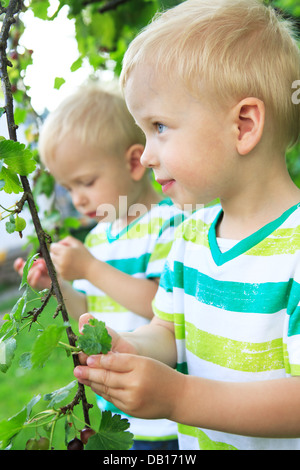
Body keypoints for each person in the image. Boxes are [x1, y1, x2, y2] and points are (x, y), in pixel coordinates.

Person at [73, 0, 300, 451]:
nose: (148, 153)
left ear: (243, 125)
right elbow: (168, 331)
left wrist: (179, 397)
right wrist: (129, 348)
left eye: (159, 126)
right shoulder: (191, 237)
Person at [14, 82, 184, 450]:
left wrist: (90, 269)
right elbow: (88, 312)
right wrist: (58, 284)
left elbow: (164, 305)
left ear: (133, 161)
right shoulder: (97, 240)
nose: (77, 198)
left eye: (86, 182)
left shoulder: (169, 223)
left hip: (166, 418)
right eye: (68, 187)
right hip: (118, 408)